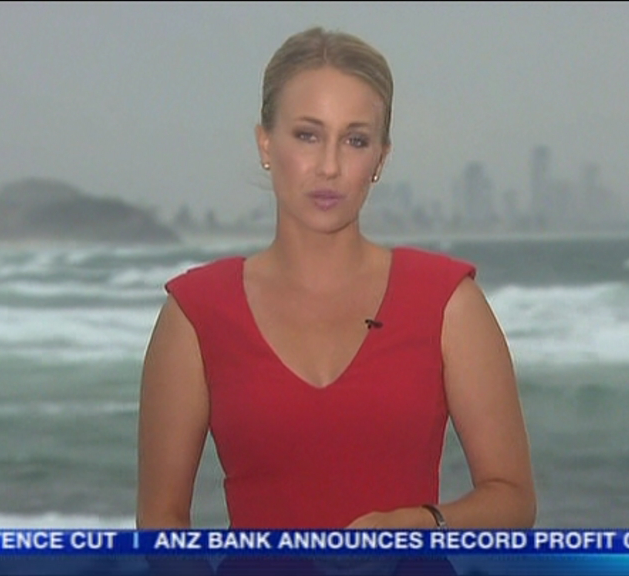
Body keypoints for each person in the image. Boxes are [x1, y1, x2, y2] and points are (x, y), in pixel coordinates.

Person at [137, 26, 535, 531]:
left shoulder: (448, 302)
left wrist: (417, 524)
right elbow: (161, 524)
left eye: (355, 140)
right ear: (265, 143)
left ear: (380, 159)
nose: (329, 166)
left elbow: (512, 501)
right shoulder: (196, 313)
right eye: (308, 135)